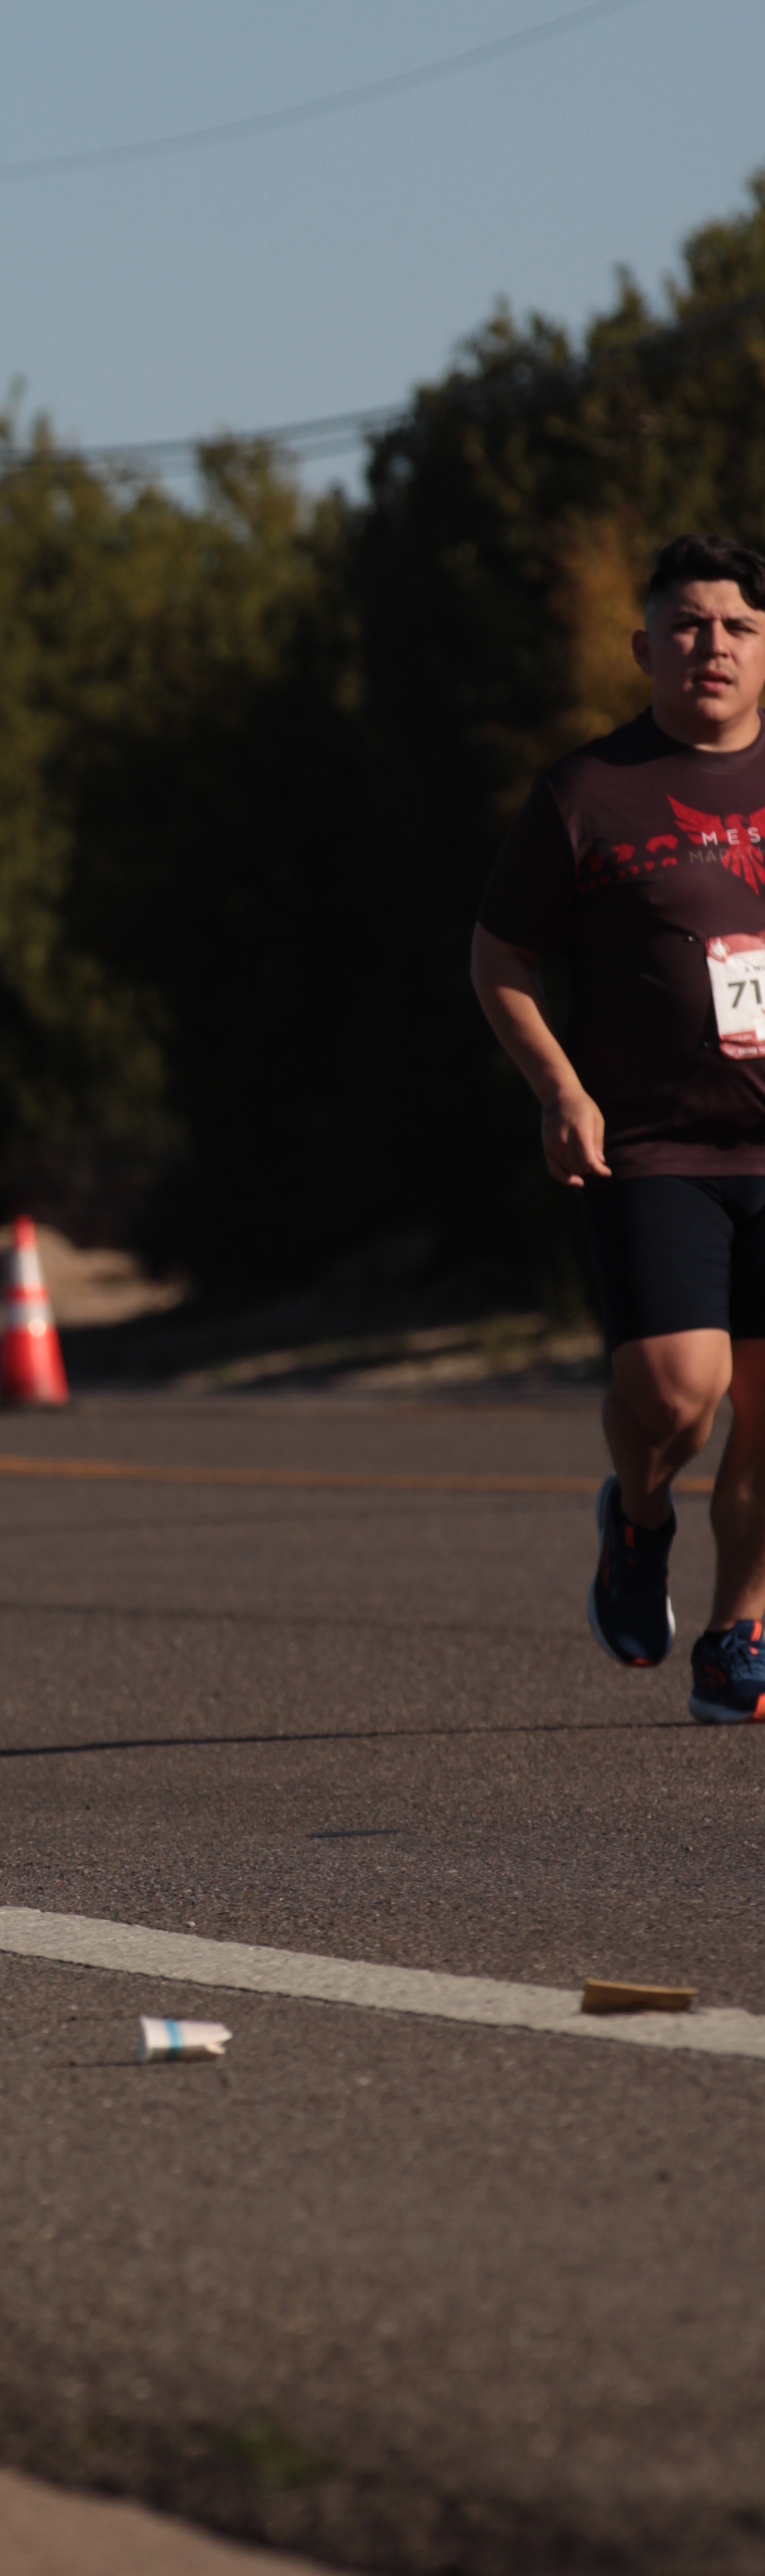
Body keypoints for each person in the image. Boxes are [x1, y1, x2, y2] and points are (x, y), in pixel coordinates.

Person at [472, 532, 765, 1723]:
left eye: (738, 626)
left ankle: (739, 1634)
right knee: (680, 1392)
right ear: (645, 647)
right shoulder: (588, 791)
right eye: (687, 624)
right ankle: (638, 1518)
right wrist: (560, 1088)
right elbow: (499, 958)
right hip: (655, 1146)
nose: (712, 645)